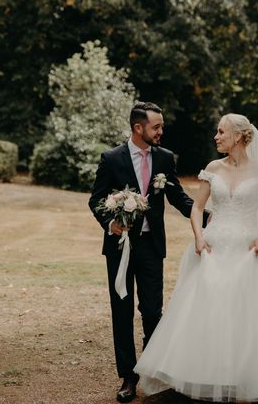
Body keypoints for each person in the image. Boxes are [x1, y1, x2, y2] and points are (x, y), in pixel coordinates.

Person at [134, 113, 258, 402]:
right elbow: (197, 208)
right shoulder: (214, 167)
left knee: (252, 311)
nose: (216, 137)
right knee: (206, 308)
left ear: (238, 136)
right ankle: (206, 372)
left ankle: (252, 374)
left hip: (248, 249)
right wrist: (199, 237)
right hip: (215, 246)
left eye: (221, 132)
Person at [89, 102, 209, 403]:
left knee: (153, 311)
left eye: (161, 126)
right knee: (122, 309)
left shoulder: (165, 158)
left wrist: (210, 219)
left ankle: (155, 371)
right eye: (156, 126)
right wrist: (111, 222)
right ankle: (128, 377)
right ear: (138, 128)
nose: (161, 131)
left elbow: (178, 196)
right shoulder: (112, 158)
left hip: (151, 247)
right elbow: (96, 200)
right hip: (120, 247)